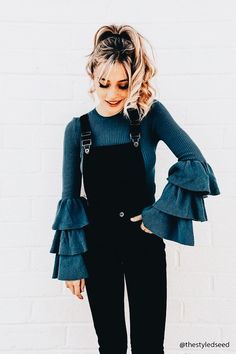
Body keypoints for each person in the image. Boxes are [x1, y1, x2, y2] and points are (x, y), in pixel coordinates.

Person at [49, 24, 220, 354]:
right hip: (98, 248)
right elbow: (70, 199)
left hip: (144, 244)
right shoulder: (77, 130)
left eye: (123, 85)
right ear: (92, 76)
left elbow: (197, 166)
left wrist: (157, 213)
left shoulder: (150, 116)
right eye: (104, 84)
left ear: (135, 79)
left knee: (149, 345)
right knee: (110, 345)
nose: (113, 93)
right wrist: (71, 263)